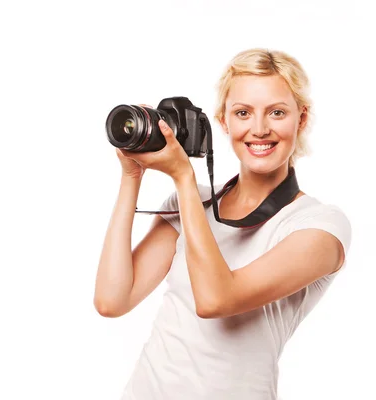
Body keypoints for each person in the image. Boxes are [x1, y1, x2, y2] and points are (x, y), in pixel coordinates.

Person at [93, 48, 352, 400]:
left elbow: (215, 299)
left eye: (277, 112)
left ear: (301, 119)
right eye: (243, 112)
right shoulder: (190, 203)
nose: (259, 129)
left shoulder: (319, 225)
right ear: (223, 121)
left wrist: (183, 177)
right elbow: (112, 300)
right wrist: (131, 175)